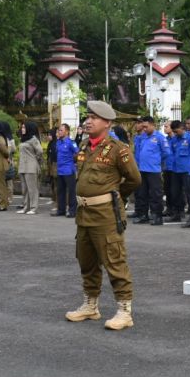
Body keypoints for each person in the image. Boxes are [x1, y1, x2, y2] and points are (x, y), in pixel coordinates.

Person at [65, 100, 141, 331]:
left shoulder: (118, 150)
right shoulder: (85, 147)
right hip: (84, 213)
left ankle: (124, 311)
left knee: (114, 261)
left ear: (107, 123)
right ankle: (91, 305)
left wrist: (117, 197)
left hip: (106, 215)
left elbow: (134, 180)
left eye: (94, 118)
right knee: (86, 260)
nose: (88, 121)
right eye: (87, 117)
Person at [132, 116, 171, 226]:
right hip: (142, 169)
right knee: (142, 193)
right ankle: (143, 215)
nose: (144, 129)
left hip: (153, 170)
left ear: (153, 125)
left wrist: (156, 161)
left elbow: (166, 153)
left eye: (146, 126)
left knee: (155, 194)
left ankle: (157, 216)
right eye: (143, 127)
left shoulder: (159, 137)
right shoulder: (143, 137)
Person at [167, 120, 190, 222]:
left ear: (182, 128)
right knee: (175, 192)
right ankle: (178, 213)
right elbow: (171, 153)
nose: (176, 133)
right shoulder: (174, 140)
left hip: (187, 171)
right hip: (176, 170)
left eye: (177, 131)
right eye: (174, 132)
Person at [53, 123, 79, 217]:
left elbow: (78, 152)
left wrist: (74, 161)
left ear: (67, 131)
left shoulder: (71, 142)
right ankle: (61, 210)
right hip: (60, 170)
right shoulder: (58, 142)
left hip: (68, 170)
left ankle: (73, 211)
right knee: (60, 191)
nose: (59, 132)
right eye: (59, 130)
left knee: (71, 191)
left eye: (61, 130)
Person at [17, 121, 43, 215]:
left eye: (24, 127)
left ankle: (33, 208)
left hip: (31, 166)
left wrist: (35, 159)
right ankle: (25, 207)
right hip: (23, 166)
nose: (22, 129)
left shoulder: (33, 139)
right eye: (22, 127)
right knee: (24, 189)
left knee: (32, 189)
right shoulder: (23, 139)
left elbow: (40, 151)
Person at [46, 128, 58, 208]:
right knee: (52, 182)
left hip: (55, 164)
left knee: (56, 182)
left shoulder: (56, 143)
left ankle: (57, 200)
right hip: (50, 164)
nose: (48, 136)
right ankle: (53, 198)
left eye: (50, 135)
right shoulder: (50, 143)